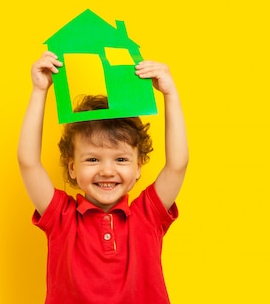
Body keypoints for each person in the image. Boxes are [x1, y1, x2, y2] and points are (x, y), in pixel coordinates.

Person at [17, 51, 188, 304]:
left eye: (120, 159)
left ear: (139, 166)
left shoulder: (147, 216)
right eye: (92, 159)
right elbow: (28, 163)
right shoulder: (62, 218)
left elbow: (177, 165)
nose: (107, 171)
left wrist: (171, 95)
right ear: (72, 167)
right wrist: (39, 91)